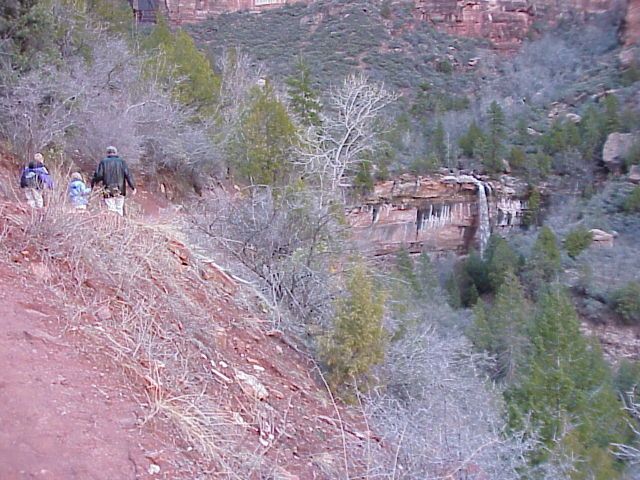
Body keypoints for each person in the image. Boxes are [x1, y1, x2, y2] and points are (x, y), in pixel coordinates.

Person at [91, 146, 136, 216]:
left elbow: (99, 175)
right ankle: (119, 221)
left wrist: (93, 184)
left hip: (108, 189)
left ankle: (112, 222)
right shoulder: (122, 162)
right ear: (116, 152)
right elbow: (128, 175)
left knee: (111, 208)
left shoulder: (103, 162)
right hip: (120, 189)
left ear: (107, 153)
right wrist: (133, 187)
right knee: (119, 208)